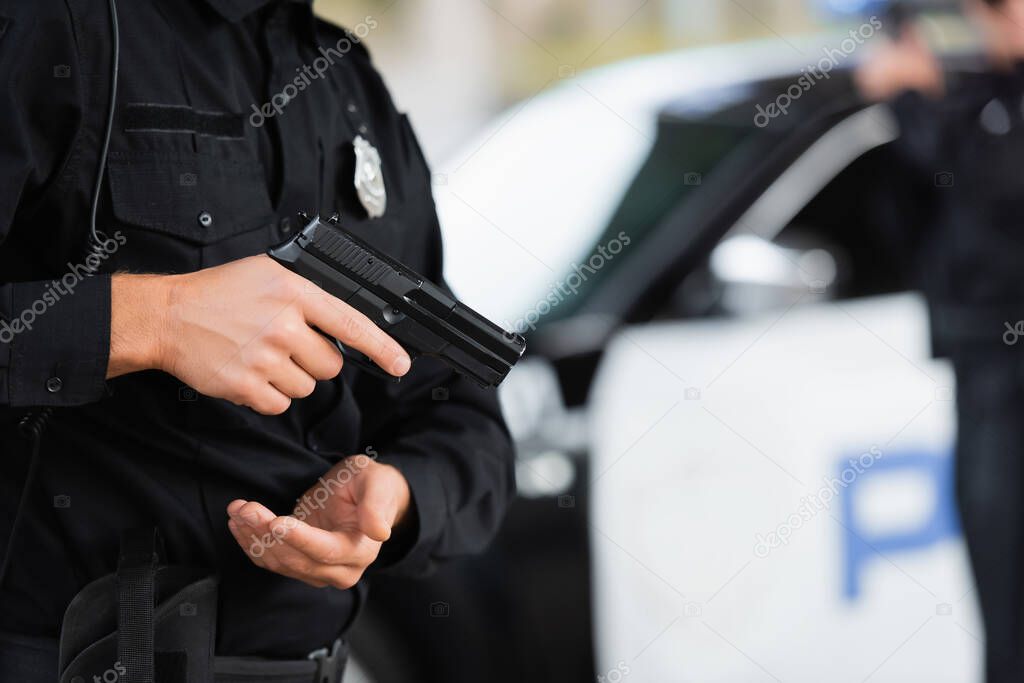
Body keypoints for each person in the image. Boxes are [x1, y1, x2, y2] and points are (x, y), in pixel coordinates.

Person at [0, 0, 515, 680]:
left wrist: (396, 494)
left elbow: (458, 409)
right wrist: (153, 320)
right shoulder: (50, 26)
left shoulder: (352, 84)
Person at [857, 1, 1024, 680]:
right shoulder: (980, 97)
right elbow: (913, 216)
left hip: (1008, 374)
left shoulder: (973, 116)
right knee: (1003, 600)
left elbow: (996, 189)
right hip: (988, 377)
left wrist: (908, 98)